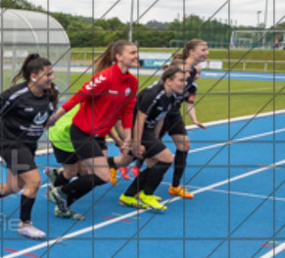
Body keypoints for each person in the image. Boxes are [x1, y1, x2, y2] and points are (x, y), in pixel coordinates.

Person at [47, 40, 140, 219]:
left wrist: (127, 138)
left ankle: (63, 200)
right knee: (103, 175)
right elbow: (78, 98)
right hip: (82, 132)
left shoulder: (132, 82)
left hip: (99, 135)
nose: (136, 56)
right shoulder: (105, 77)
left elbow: (127, 111)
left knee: (92, 174)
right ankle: (61, 193)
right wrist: (54, 118)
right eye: (132, 53)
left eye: (137, 53)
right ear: (118, 57)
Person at [0, 54, 57, 240]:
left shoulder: (49, 95)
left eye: (52, 74)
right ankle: (25, 224)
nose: (51, 78)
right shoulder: (14, 95)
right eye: (48, 74)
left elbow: (44, 120)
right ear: (34, 76)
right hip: (9, 141)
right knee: (34, 181)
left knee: (14, 186)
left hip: (28, 144)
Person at [118, 62, 190, 211]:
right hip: (137, 129)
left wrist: (156, 138)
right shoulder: (154, 94)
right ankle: (147, 194)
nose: (185, 83)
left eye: (185, 81)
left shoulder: (173, 95)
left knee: (153, 163)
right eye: (181, 80)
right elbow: (139, 120)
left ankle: (129, 195)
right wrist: (136, 143)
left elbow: (161, 117)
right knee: (167, 158)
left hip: (149, 130)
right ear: (169, 80)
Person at [162, 39, 208, 198]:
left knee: (184, 146)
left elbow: (187, 99)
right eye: (203, 50)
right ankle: (115, 165)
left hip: (173, 113)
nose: (207, 53)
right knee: (140, 151)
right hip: (162, 111)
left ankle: (175, 186)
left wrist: (195, 119)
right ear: (191, 52)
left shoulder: (193, 71)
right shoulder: (180, 67)